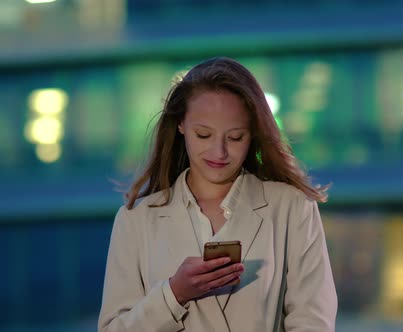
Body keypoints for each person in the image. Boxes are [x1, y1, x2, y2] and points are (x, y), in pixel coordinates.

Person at [98, 57, 337, 332]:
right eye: (203, 135)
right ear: (181, 125)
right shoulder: (136, 220)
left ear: (253, 134)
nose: (219, 152)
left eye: (235, 137)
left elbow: (313, 322)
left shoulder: (291, 208)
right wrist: (174, 294)